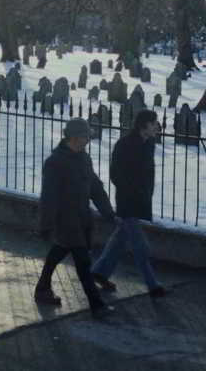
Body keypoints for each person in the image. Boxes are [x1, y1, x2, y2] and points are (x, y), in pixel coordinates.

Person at [35, 118, 117, 318]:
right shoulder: (55, 163)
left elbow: (95, 187)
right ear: (73, 137)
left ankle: (42, 289)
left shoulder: (84, 158)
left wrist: (107, 211)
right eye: (85, 136)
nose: (88, 140)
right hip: (65, 220)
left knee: (59, 251)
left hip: (82, 218)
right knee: (83, 261)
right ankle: (96, 305)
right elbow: (49, 196)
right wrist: (46, 224)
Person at [91, 110, 166, 298]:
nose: (157, 126)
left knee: (120, 240)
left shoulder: (149, 144)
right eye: (153, 123)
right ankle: (152, 284)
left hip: (141, 199)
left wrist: (146, 193)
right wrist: (132, 190)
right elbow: (115, 173)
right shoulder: (124, 144)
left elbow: (148, 173)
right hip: (128, 200)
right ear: (144, 125)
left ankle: (99, 272)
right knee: (141, 246)